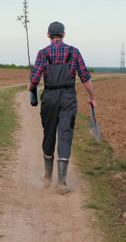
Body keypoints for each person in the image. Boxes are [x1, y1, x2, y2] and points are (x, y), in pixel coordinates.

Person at [27, 21, 96, 195]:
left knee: (49, 135)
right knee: (65, 135)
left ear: (48, 35)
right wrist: (92, 98)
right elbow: (85, 79)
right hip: (68, 98)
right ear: (64, 35)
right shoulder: (74, 52)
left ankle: (48, 177)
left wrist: (31, 89)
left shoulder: (42, 53)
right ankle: (62, 183)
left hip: (49, 98)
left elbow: (33, 82)